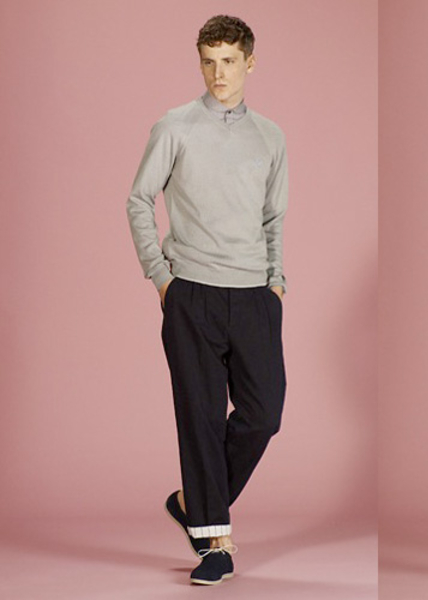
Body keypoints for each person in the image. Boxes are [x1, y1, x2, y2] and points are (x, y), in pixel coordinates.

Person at [126, 14, 287, 586]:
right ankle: (215, 543)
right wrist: (161, 278)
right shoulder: (175, 126)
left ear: (250, 62)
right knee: (199, 417)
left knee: (264, 414)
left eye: (229, 61)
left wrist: (276, 282)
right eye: (208, 62)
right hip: (191, 292)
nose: (218, 74)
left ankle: (193, 504)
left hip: (254, 295)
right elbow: (139, 199)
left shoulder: (270, 136)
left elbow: (273, 217)